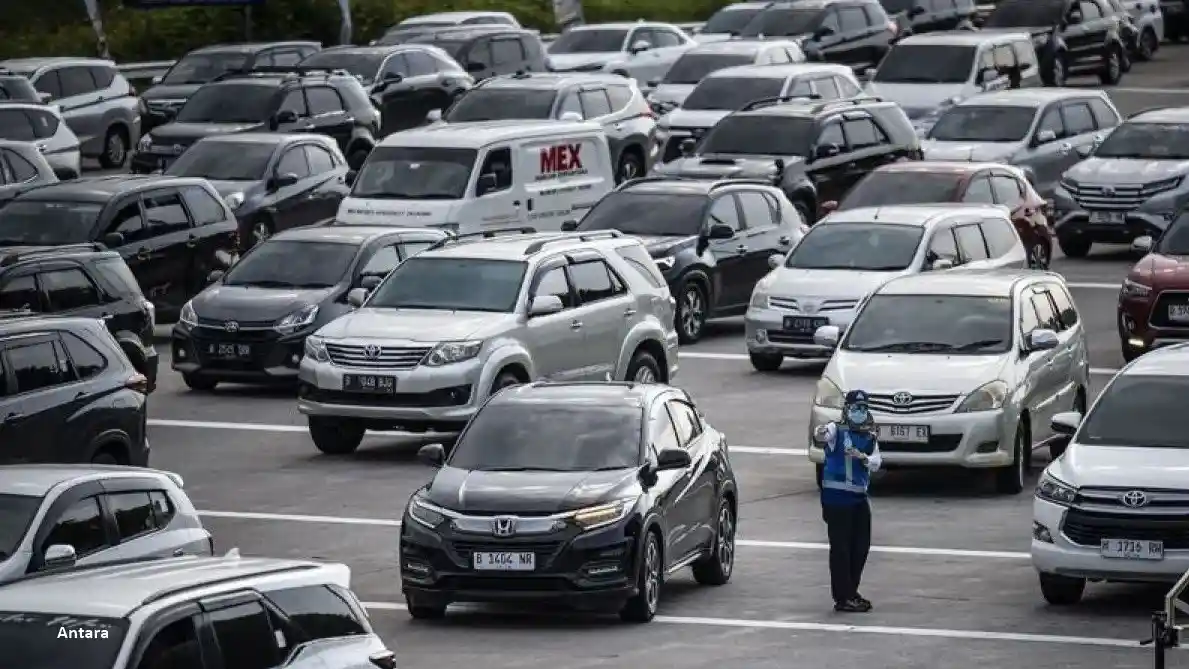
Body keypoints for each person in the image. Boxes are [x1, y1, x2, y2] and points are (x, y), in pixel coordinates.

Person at [815, 389, 882, 613]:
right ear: (847, 409)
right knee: (841, 549)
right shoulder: (837, 430)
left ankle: (851, 591)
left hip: (858, 499)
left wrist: (864, 458)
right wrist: (821, 432)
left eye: (863, 408)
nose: (859, 412)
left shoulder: (870, 437)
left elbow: (877, 462)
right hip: (836, 501)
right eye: (855, 408)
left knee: (861, 547)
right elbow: (823, 435)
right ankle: (843, 597)